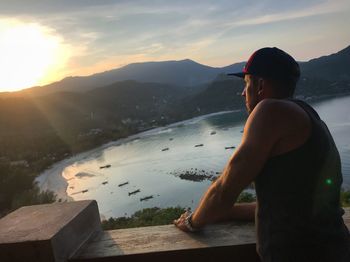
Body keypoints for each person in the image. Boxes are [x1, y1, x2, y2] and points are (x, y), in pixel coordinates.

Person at [174, 47, 350, 261]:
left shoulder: (269, 111)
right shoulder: (306, 113)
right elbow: (283, 206)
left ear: (259, 85)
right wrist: (225, 212)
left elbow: (224, 189)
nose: (242, 93)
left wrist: (192, 222)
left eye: (245, 84)